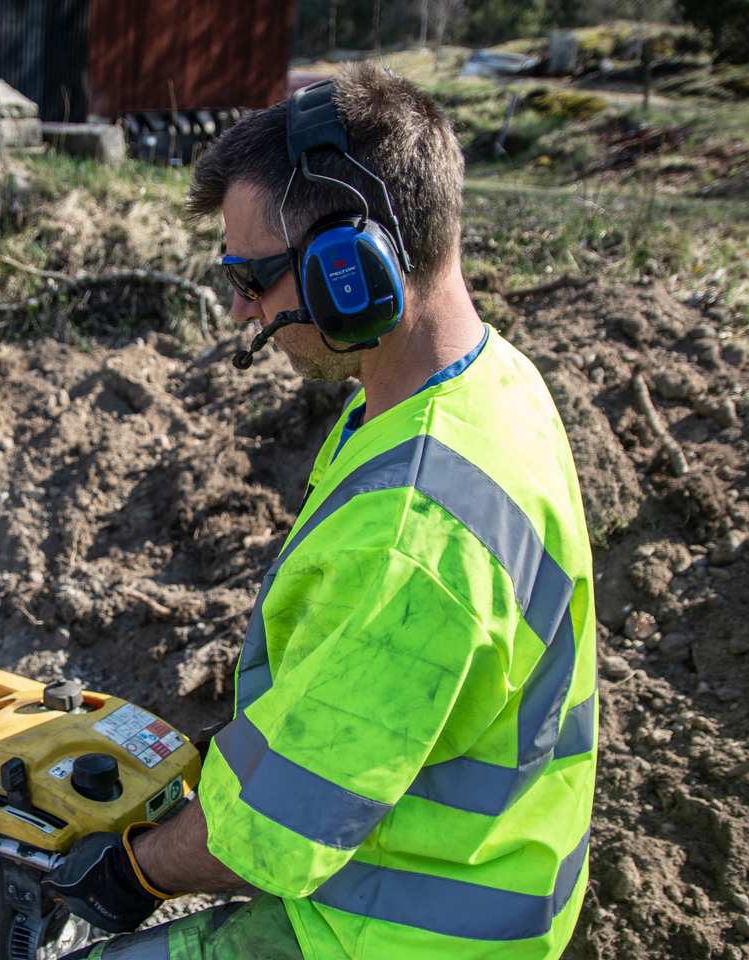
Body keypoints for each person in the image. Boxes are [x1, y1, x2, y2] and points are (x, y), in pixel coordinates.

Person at [43, 63, 597, 960]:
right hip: (475, 877)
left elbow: (270, 836)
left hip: (403, 934)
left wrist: (131, 871)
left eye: (252, 279)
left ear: (354, 268)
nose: (236, 311)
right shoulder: (488, 386)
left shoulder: (415, 532)